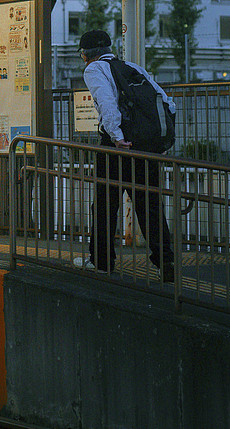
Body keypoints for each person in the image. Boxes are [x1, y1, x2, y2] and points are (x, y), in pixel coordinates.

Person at [78, 29, 176, 281]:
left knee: (105, 205)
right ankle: (166, 262)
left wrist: (116, 137)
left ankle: (101, 262)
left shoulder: (94, 69)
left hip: (116, 148)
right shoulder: (133, 67)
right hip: (146, 149)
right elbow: (167, 102)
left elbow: (107, 103)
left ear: (86, 54)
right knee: (149, 205)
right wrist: (160, 140)